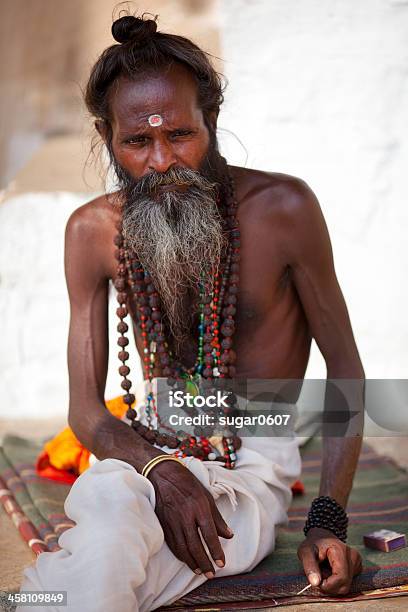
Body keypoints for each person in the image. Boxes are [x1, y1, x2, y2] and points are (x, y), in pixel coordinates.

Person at [19, 13, 364, 612]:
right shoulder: (91, 233)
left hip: (251, 456)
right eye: (136, 141)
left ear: (213, 121)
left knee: (109, 555)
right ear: (107, 138)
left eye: (179, 135)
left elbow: (346, 375)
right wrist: (160, 469)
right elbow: (86, 411)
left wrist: (326, 521)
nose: (161, 161)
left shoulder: (284, 208)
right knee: (116, 527)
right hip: (141, 449)